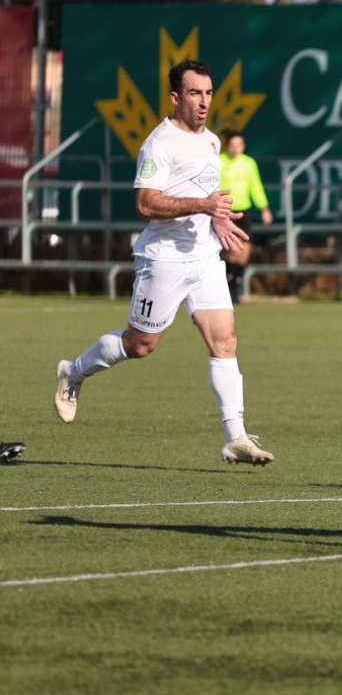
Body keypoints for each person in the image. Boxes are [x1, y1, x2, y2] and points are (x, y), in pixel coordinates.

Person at [52, 60, 273, 465]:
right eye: (194, 93)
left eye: (208, 93)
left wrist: (217, 217)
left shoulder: (212, 141)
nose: (204, 101)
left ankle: (236, 437)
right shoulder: (159, 143)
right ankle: (74, 371)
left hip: (205, 257)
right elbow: (145, 203)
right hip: (164, 260)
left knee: (225, 340)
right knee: (140, 345)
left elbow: (206, 194)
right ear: (175, 97)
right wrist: (203, 205)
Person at [219, 131, 273, 302]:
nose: (235, 148)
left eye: (239, 145)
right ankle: (228, 289)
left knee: (244, 252)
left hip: (244, 210)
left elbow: (255, 186)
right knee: (232, 252)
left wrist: (264, 209)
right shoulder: (220, 161)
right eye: (232, 145)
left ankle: (236, 286)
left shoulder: (249, 163)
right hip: (227, 211)